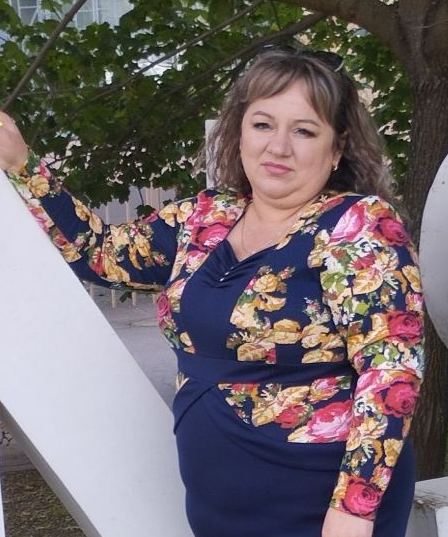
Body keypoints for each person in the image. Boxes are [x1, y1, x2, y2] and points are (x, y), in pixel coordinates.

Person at [0, 47, 425, 537]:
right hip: (217, 502)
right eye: (263, 124)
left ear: (336, 149)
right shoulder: (205, 217)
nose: (278, 146)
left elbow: (391, 372)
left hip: (321, 505)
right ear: (239, 131)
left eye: (304, 131)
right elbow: (99, 253)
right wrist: (22, 163)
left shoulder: (359, 227)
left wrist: (353, 511)